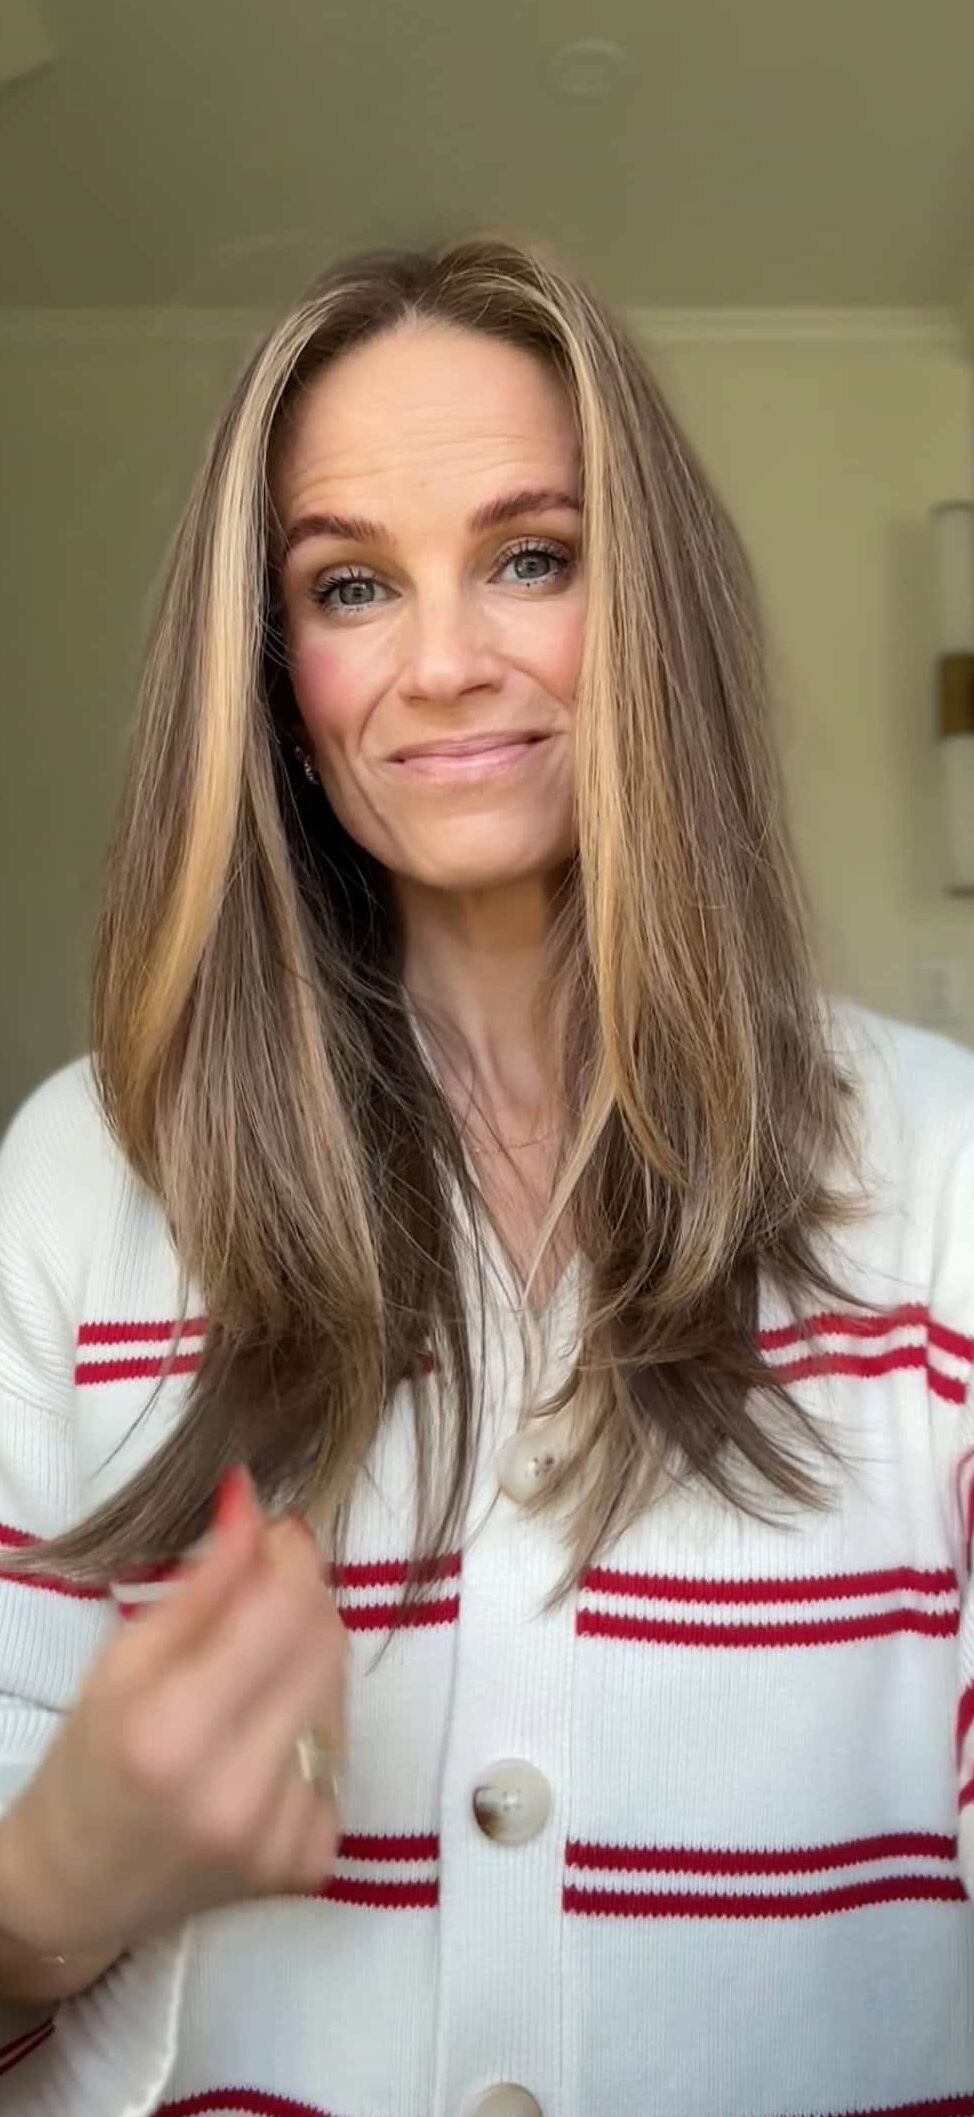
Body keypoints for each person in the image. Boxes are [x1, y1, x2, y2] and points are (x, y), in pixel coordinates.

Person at [0, 232, 971, 2117]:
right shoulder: (78, 1181)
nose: (444, 664)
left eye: (530, 557)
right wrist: (57, 1876)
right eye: (351, 585)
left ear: (653, 611)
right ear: (274, 673)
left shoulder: (940, 1177)